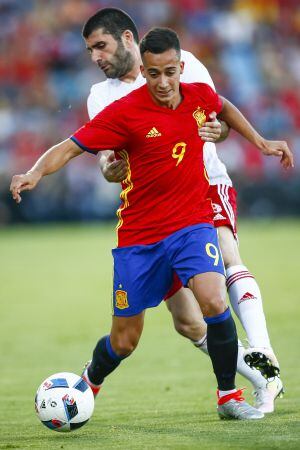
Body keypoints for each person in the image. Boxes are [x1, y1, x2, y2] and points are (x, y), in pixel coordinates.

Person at [10, 27, 293, 420]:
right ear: (144, 71)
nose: (163, 82)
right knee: (125, 340)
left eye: (170, 72)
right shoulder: (123, 111)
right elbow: (71, 147)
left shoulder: (196, 93)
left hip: (192, 225)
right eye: (154, 74)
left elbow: (222, 107)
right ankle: (91, 380)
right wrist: (35, 172)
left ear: (180, 67)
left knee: (213, 300)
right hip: (140, 237)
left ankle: (229, 394)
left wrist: (261, 142)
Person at [83, 8, 284, 412]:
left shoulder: (183, 62)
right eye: (90, 50)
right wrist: (110, 167)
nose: (95, 57)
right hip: (152, 212)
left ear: (126, 38)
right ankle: (261, 374)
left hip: (202, 180)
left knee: (226, 259)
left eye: (100, 46)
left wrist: (227, 132)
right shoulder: (99, 95)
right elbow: (107, 164)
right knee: (188, 322)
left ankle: (265, 353)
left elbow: (216, 119)